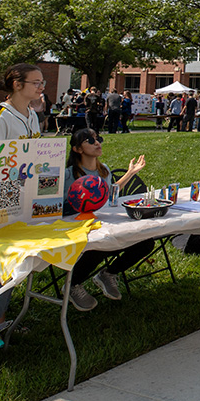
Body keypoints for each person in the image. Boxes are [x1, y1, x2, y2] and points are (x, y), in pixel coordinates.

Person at [0, 63, 44, 328]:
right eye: (36, 82)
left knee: (18, 256)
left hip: (26, 190)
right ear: (17, 85)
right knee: (3, 260)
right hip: (1, 191)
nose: (41, 87)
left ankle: (0, 318)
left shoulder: (31, 114)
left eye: (42, 83)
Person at [61, 128, 153, 310]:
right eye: (90, 140)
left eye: (98, 139)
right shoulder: (69, 175)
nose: (97, 143)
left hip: (103, 221)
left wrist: (131, 173)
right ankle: (72, 285)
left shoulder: (104, 171)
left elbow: (108, 194)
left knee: (146, 242)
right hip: (77, 226)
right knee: (104, 244)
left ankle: (108, 273)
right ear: (77, 149)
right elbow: (60, 206)